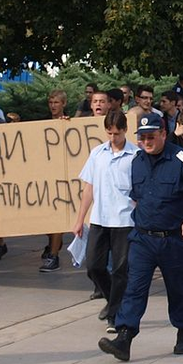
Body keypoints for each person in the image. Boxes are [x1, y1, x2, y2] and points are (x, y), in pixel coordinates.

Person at [99, 113, 183, 362]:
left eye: (151, 137)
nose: (146, 142)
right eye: (143, 137)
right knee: (134, 288)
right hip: (143, 238)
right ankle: (124, 338)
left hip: (174, 239)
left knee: (178, 288)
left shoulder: (180, 159)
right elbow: (137, 195)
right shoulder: (137, 161)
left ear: (163, 134)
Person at [73, 111, 138, 333]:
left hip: (124, 220)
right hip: (100, 218)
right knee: (94, 266)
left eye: (117, 134)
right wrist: (80, 219)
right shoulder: (97, 154)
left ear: (125, 130)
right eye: (109, 133)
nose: (113, 138)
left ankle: (115, 315)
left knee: (120, 269)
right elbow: (89, 188)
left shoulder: (135, 155)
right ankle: (113, 301)